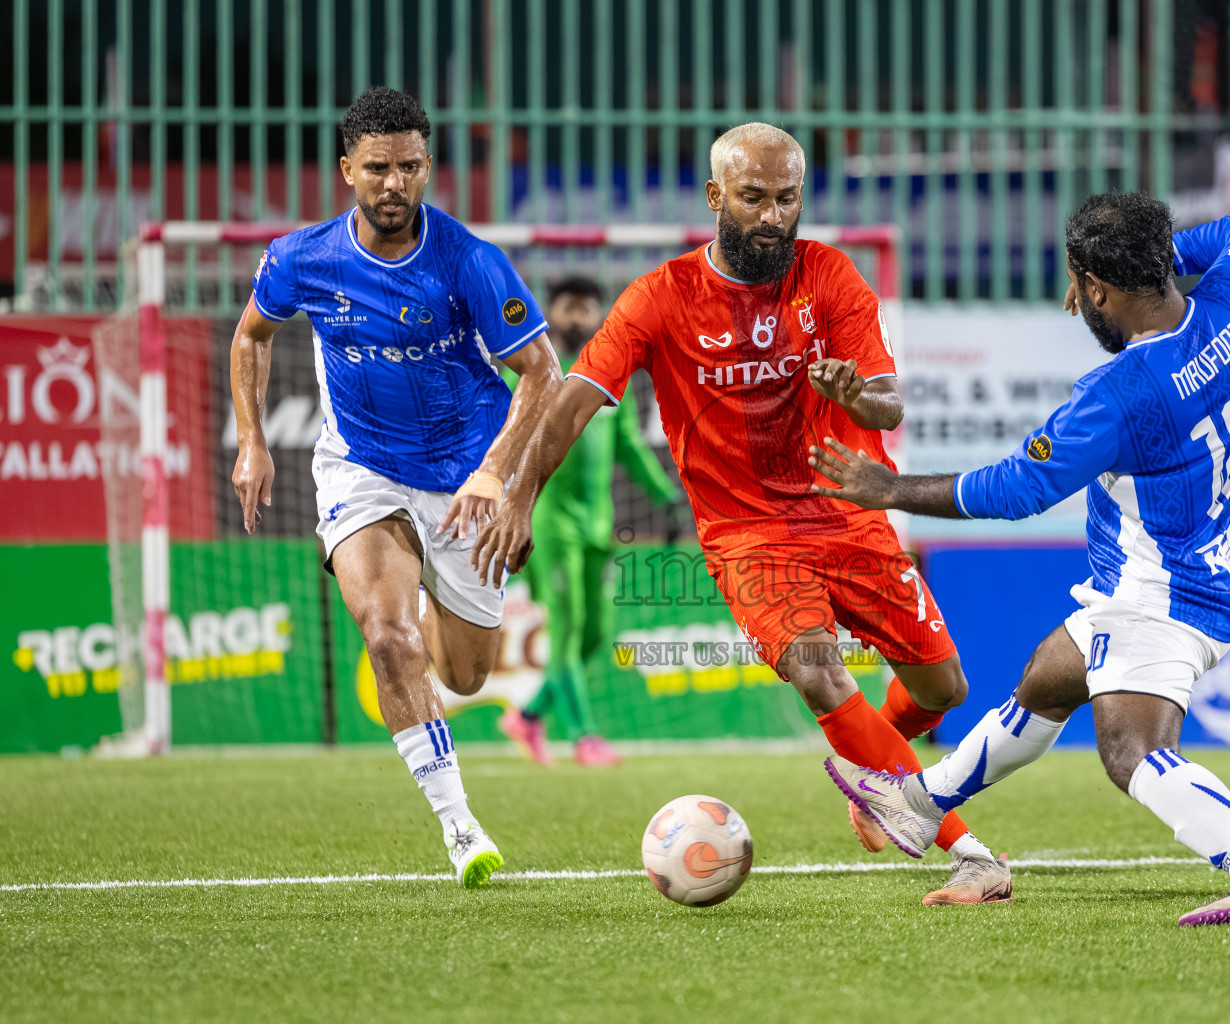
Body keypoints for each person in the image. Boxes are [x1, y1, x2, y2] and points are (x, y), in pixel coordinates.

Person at [473, 122, 1010, 906]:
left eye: (787, 198)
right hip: (747, 535)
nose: (771, 215)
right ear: (715, 197)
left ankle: (874, 779)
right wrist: (516, 495)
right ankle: (969, 852)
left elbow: (889, 399)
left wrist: (856, 395)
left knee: (944, 689)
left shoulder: (830, 277)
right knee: (821, 674)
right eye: (753, 197)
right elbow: (573, 401)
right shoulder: (660, 298)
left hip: (846, 514)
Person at [816, 193, 1230, 926]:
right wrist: (1150, 260)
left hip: (1156, 600)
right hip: (1203, 579)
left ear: (1095, 287)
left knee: (1131, 754)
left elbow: (1017, 487)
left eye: (1081, 279)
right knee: (1049, 678)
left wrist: (889, 487)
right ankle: (918, 805)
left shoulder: (1121, 394)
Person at [229, 87, 562, 889]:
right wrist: (252, 440)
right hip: (362, 469)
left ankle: (424, 611)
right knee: (385, 632)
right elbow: (251, 336)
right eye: (377, 168)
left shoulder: (470, 261)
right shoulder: (300, 258)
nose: (394, 184)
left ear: (428, 169)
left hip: (466, 482)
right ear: (348, 170)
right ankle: (460, 826)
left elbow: (542, 371)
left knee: (468, 675)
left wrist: (494, 471)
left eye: (410, 167)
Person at [498, 276, 682, 766]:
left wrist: (667, 497)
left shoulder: (610, 377)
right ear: (551, 313)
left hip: (599, 525)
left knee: (596, 632)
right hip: (550, 524)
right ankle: (584, 738)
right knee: (567, 626)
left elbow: (631, 448)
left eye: (586, 308)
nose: (577, 317)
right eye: (568, 307)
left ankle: (529, 715)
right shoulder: (530, 375)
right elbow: (501, 444)